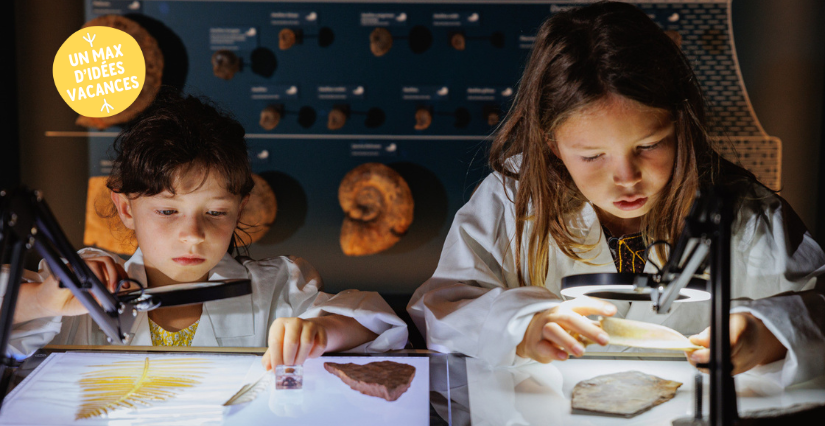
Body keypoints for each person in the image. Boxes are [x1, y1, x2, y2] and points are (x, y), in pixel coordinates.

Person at [408, 1, 825, 387]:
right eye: (592, 156)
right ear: (553, 143)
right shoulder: (512, 200)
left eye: (649, 145)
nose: (626, 177)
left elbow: (816, 307)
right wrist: (521, 326)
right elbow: (444, 308)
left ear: (680, 125)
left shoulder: (747, 215)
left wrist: (768, 333)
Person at [7, 91, 408, 370]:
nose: (193, 233)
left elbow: (371, 322)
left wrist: (321, 332)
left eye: (216, 212)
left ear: (240, 208)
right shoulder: (80, 288)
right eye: (167, 210)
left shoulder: (274, 288)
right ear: (126, 208)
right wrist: (41, 302)